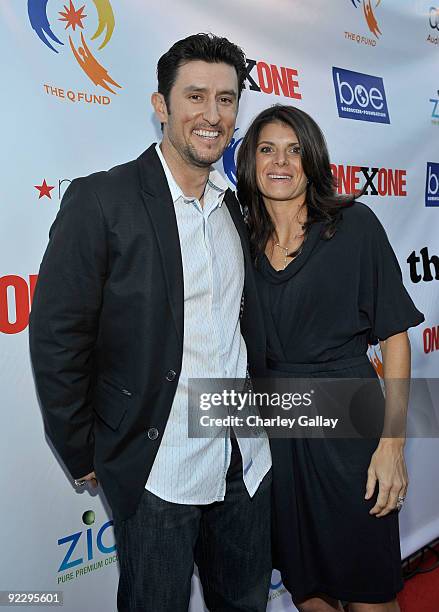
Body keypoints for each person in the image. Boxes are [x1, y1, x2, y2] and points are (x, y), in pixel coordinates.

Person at [29, 34, 272, 612]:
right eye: (195, 96)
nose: (212, 116)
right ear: (161, 106)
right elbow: (59, 334)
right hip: (159, 468)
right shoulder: (103, 200)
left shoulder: (234, 206)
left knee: (244, 604)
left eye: (227, 99)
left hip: (244, 458)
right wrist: (82, 450)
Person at [236, 105, 424, 612]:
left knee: (371, 593)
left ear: (313, 159)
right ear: (249, 162)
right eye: (267, 149)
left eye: (295, 150)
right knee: (307, 588)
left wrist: (392, 446)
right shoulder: (241, 240)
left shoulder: (353, 225)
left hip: (349, 435)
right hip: (276, 440)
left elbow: (396, 339)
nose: (281, 162)